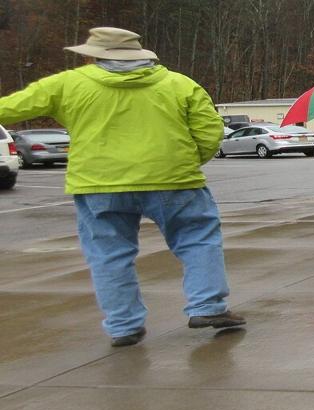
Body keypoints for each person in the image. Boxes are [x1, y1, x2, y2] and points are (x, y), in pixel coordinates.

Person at [0, 26, 244, 347]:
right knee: (198, 240)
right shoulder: (179, 84)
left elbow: (7, 109)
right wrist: (184, 162)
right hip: (174, 180)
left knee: (108, 254)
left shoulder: (67, 84)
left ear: (93, 55)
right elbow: (210, 132)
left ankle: (123, 326)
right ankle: (208, 306)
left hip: (98, 184)